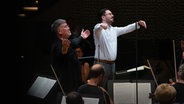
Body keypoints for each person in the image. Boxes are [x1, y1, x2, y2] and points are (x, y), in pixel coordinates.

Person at [93, 8, 147, 89]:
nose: (112, 15)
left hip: (112, 64)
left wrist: (138, 24)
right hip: (101, 64)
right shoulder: (98, 29)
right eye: (110, 14)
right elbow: (97, 28)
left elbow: (126, 29)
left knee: (111, 88)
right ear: (103, 17)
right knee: (99, 88)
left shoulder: (114, 30)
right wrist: (101, 26)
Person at [50, 18, 90, 94]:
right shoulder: (57, 46)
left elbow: (74, 42)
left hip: (74, 84)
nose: (68, 28)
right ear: (59, 31)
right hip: (67, 88)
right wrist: (64, 49)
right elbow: (62, 53)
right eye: (65, 26)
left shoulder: (67, 42)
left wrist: (82, 37)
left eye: (68, 26)